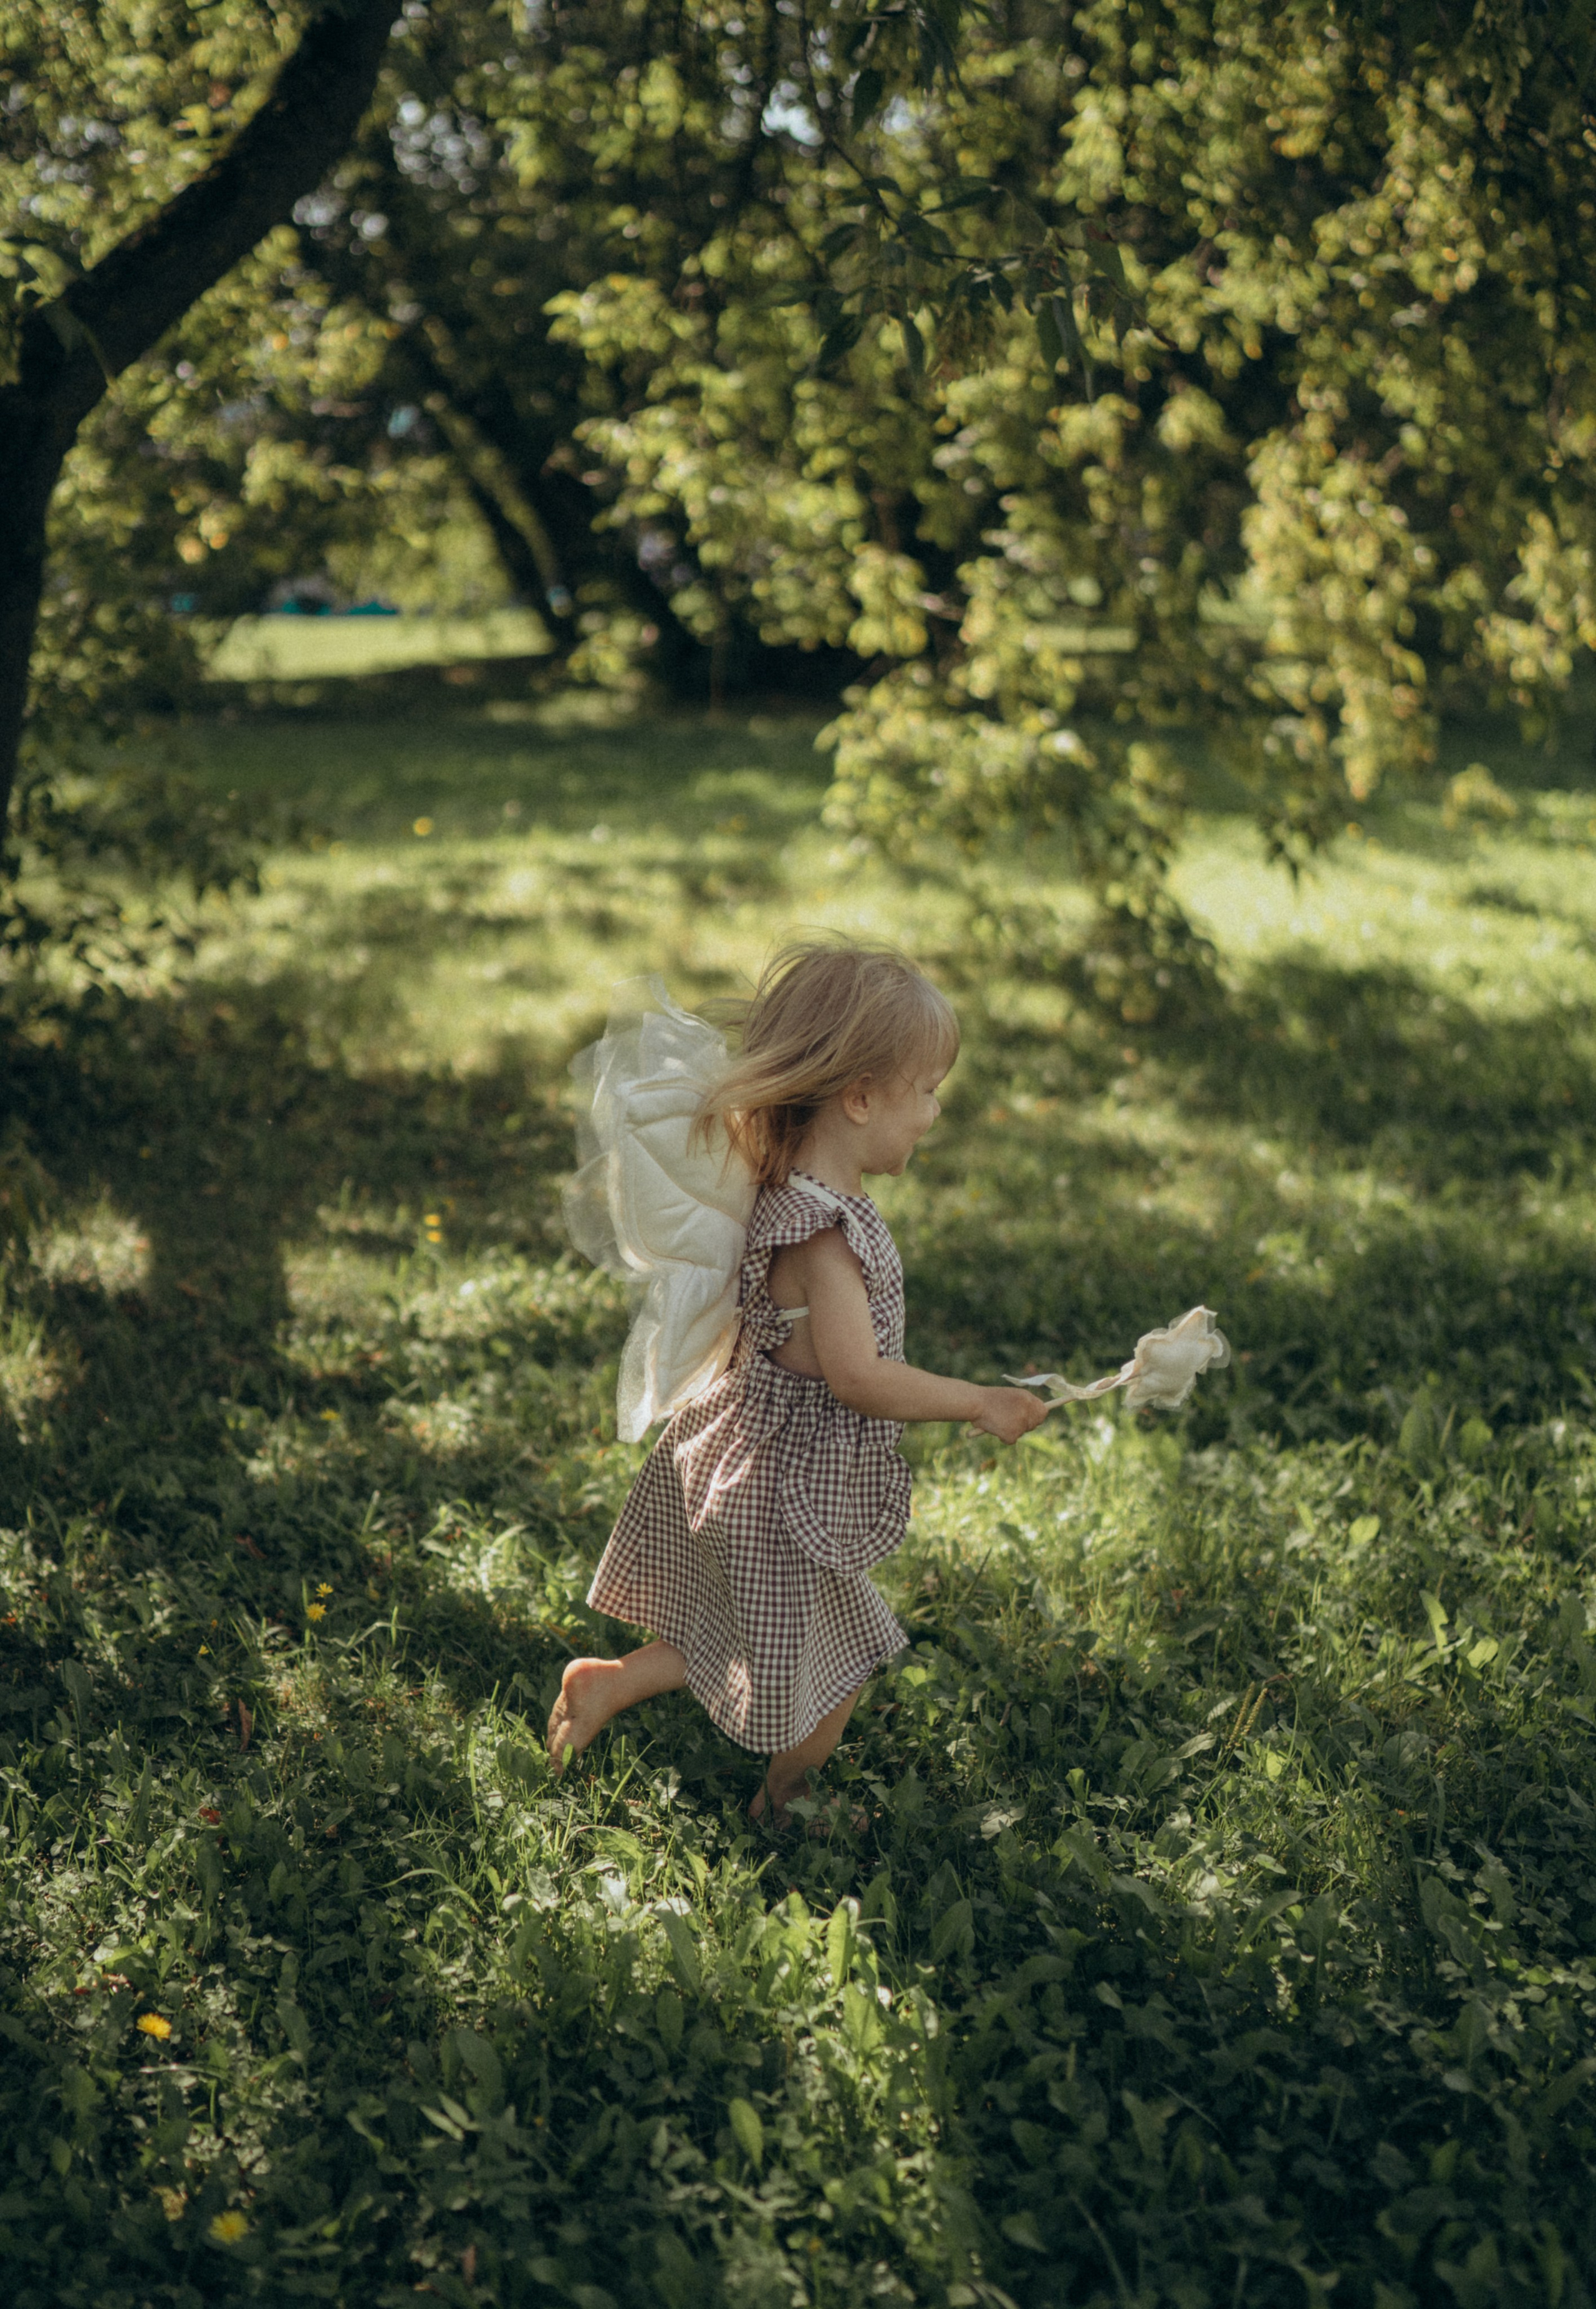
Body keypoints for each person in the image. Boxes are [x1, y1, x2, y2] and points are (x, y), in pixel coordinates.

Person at [547, 940, 1049, 1826]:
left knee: (743, 1627)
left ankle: (610, 1685)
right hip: (783, 1486)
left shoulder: (799, 1196)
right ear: (860, 1098)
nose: (934, 1113)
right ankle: (786, 1803)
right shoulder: (822, 1238)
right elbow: (858, 1378)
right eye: (927, 1091)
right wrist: (977, 1400)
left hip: (761, 1459)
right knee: (844, 1657)